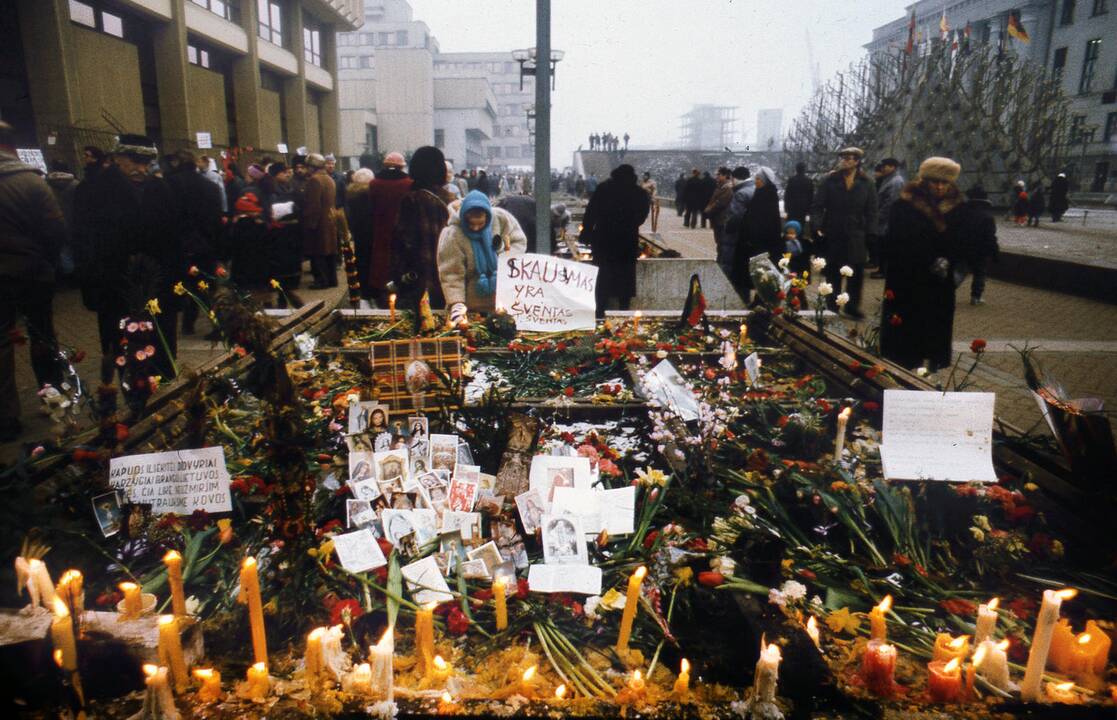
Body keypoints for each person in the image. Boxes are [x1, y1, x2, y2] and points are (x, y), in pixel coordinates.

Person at [74, 133, 182, 382]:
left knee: (161, 358)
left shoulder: (160, 189)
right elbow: (83, 243)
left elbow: (174, 240)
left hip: (158, 291)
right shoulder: (93, 191)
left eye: (146, 162)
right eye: (134, 161)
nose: (140, 169)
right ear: (117, 157)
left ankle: (161, 403)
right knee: (125, 355)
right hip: (116, 289)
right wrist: (92, 288)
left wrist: (177, 289)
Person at [0, 122, 67, 440]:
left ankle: (6, 418)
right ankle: (53, 396)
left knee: (1, 345)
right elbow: (56, 232)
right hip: (34, 274)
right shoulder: (32, 182)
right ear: (12, 146)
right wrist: (48, 263)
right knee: (42, 335)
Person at [879, 157, 966, 371]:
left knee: (934, 329)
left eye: (944, 182)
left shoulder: (958, 207)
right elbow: (896, 240)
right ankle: (903, 368)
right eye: (934, 181)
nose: (939, 186)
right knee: (905, 335)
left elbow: (964, 239)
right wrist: (927, 258)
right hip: (907, 277)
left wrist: (952, 261)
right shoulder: (904, 205)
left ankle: (931, 367)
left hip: (939, 281)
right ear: (924, 181)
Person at [438, 190, 526, 323]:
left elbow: (518, 241)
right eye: (471, 224)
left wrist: (505, 258)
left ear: (488, 217)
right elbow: (452, 273)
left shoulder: (501, 219)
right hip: (471, 306)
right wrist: (456, 303)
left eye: (480, 224)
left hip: (503, 300)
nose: (475, 228)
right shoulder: (453, 235)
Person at [811, 147, 878, 319]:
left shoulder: (866, 182)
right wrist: (817, 225)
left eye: (850, 158)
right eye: (843, 158)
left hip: (856, 232)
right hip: (833, 229)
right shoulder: (830, 180)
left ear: (857, 161)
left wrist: (871, 232)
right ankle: (831, 305)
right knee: (833, 269)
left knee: (855, 271)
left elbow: (871, 210)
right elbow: (818, 205)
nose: (845, 161)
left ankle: (851, 306)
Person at [579, 164, 650, 317]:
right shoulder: (639, 193)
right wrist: (629, 224)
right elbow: (642, 216)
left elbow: (591, 212)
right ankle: (624, 310)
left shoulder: (604, 189)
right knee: (626, 275)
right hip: (627, 240)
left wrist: (587, 231)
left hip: (604, 239)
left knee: (603, 275)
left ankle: (600, 311)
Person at [165, 150, 222, 335]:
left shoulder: (171, 185)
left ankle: (187, 324)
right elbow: (216, 219)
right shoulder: (210, 186)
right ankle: (216, 324)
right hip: (206, 244)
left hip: (181, 244)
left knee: (183, 286)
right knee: (206, 287)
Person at [393, 146, 454, 310]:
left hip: (419, 278)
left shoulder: (411, 200)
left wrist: (400, 274)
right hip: (447, 277)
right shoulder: (451, 200)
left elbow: (404, 241)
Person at [364, 152, 410, 306]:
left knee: (381, 261)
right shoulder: (408, 183)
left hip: (380, 229)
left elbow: (370, 207)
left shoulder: (374, 183)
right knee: (400, 260)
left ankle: (380, 291)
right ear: (402, 166)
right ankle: (399, 289)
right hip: (402, 230)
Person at [734, 166, 783, 293]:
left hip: (759, 242)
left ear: (763, 181)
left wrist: (750, 234)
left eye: (758, 179)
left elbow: (762, 220)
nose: (755, 181)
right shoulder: (763, 193)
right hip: (755, 241)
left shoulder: (766, 195)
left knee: (759, 272)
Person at [302, 153, 338, 288]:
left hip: (319, 222)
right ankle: (332, 280)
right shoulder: (329, 179)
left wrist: (310, 223)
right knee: (330, 253)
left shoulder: (314, 180)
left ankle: (321, 281)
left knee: (318, 252)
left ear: (312, 167)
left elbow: (314, 205)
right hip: (329, 219)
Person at [963, 186, 998, 306]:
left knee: (959, 272)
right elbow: (990, 236)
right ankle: (975, 297)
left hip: (964, 247)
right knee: (980, 273)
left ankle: (946, 292)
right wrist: (994, 252)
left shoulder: (963, 212)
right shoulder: (987, 216)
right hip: (980, 250)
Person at [345, 167, 375, 306]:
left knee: (361, 263)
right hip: (372, 234)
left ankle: (363, 295)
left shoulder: (351, 194)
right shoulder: (372, 195)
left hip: (358, 234)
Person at [872, 157, 905, 278]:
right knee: (882, 245)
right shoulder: (890, 179)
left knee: (885, 246)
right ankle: (882, 269)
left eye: (885, 166)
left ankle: (884, 271)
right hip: (885, 219)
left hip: (888, 220)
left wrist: (879, 216)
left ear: (893, 167)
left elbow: (890, 203)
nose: (882, 169)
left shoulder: (895, 181)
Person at [704, 167, 734, 266]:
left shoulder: (728, 188)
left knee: (722, 243)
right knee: (719, 242)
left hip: (722, 219)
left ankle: (722, 263)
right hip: (717, 219)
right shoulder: (720, 186)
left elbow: (720, 203)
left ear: (725, 176)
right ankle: (720, 260)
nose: (717, 176)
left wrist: (709, 210)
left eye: (719, 175)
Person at [783, 162, 814, 226]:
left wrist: (786, 208)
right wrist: (809, 210)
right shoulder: (809, 181)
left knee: (791, 227)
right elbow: (811, 197)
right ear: (804, 170)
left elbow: (787, 195)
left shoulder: (791, 180)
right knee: (800, 227)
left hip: (792, 209)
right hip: (803, 209)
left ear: (796, 169)